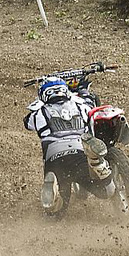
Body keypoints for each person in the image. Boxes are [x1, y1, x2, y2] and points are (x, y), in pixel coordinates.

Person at [23, 77, 115, 215]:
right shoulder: (81, 106)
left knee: (57, 213)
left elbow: (27, 123)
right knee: (106, 192)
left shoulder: (38, 113)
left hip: (54, 157)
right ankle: (98, 164)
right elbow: (91, 104)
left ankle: (54, 192)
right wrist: (83, 90)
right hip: (79, 154)